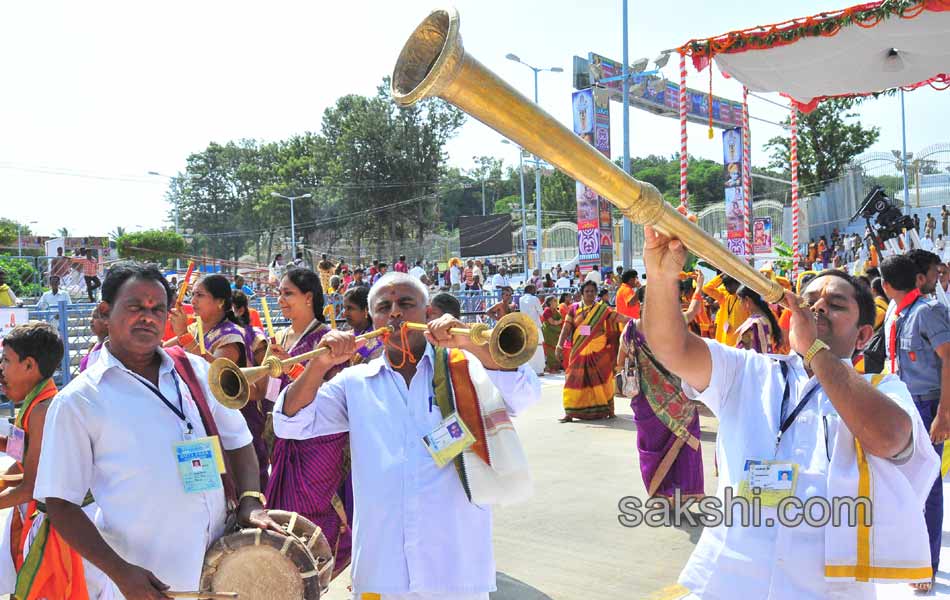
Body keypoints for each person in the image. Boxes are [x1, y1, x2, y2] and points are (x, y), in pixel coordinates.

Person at [641, 227, 938, 598]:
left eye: (836, 304)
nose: (818, 308)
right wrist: (660, 274)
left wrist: (814, 351)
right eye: (810, 300)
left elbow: (890, 438)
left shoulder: (883, 387)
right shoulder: (751, 370)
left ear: (863, 336)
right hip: (729, 581)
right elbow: (671, 347)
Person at [273, 272, 541, 599]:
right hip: (382, 571)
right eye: (384, 307)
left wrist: (468, 341)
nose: (395, 313)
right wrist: (320, 364)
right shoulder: (356, 382)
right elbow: (290, 423)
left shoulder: (464, 366)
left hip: (455, 567)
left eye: (406, 303)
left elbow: (524, 396)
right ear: (373, 319)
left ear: (429, 314)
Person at [35, 262, 279, 598]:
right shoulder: (78, 401)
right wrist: (121, 573)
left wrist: (251, 500)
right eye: (135, 307)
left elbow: (238, 442)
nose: (148, 317)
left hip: (221, 573)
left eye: (157, 309)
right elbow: (60, 503)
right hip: (143, 585)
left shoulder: (196, 371)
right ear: (105, 312)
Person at [262, 267, 356, 578]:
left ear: (309, 297)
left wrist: (290, 369)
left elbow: (333, 394)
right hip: (283, 439)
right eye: (280, 293)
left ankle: (314, 575)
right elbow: (268, 393)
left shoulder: (325, 339)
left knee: (311, 517)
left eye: (287, 293)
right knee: (282, 517)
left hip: (317, 445)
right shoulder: (282, 336)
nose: (281, 300)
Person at [0, 322, 99, 599]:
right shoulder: (34, 403)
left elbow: (31, 487)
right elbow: (22, 459)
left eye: (6, 360)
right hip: (40, 516)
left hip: (59, 526)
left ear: (30, 366)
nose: (1, 369)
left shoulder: (43, 410)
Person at [881, 252, 950, 591]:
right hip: (903, 403)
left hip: (927, 406)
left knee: (929, 485)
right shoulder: (899, 313)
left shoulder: (927, 312)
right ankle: (907, 555)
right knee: (901, 483)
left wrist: (944, 414)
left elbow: (948, 359)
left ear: (885, 285)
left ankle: (927, 565)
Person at [166, 274, 269, 489]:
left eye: (200, 295)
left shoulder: (231, 335)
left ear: (220, 302)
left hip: (233, 424)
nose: (192, 300)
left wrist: (185, 337)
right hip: (202, 419)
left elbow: (215, 375)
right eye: (192, 294)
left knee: (238, 488)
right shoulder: (196, 329)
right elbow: (164, 350)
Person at [615, 293, 704, 502]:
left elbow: (620, 363)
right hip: (678, 399)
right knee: (683, 441)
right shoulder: (672, 325)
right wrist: (698, 288)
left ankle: (662, 494)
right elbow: (692, 313)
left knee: (653, 447)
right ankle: (683, 493)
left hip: (645, 401)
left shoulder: (628, 332)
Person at [556, 280, 625, 422]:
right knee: (574, 380)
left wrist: (635, 321)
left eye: (592, 291)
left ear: (596, 293)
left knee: (603, 379)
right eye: (587, 291)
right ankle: (570, 412)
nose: (590, 294)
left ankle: (608, 410)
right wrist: (559, 345)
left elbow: (617, 317)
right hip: (579, 350)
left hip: (598, 350)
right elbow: (566, 328)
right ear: (582, 293)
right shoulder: (573, 309)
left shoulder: (602, 309)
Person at [701, 272, 750, 348]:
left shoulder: (746, 299)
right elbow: (706, 288)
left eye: (730, 285)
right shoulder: (724, 296)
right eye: (725, 285)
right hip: (724, 341)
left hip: (740, 343)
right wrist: (722, 275)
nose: (727, 288)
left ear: (737, 282)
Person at [341, 286, 385, 365]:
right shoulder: (345, 335)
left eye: (350, 308)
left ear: (366, 309)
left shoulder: (380, 340)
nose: (345, 313)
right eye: (344, 308)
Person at [734, 286, 783, 354]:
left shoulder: (756, 323)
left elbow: (755, 351)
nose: (739, 303)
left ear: (747, 299)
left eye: (739, 299)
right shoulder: (764, 317)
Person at [518, 284, 546, 376]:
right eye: (534, 289)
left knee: (528, 348)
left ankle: (529, 369)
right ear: (530, 290)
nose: (535, 291)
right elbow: (541, 312)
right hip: (535, 326)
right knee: (538, 348)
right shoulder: (535, 299)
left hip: (526, 326)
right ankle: (539, 369)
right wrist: (544, 305)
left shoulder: (521, 299)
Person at [79, 306, 109, 373]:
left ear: (107, 321)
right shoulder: (94, 345)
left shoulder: (110, 348)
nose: (91, 321)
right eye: (91, 317)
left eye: (95, 317)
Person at [540, 296, 563, 372]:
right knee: (551, 350)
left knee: (556, 349)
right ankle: (551, 368)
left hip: (556, 333)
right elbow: (552, 322)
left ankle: (556, 367)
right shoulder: (547, 310)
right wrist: (560, 321)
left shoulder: (556, 311)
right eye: (555, 301)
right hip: (549, 333)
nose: (556, 302)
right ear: (550, 302)